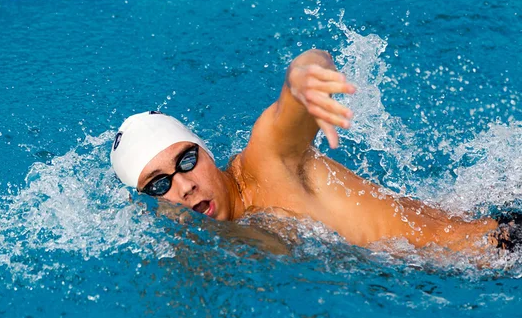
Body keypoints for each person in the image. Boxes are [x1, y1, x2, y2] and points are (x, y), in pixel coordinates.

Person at [111, 49, 520, 254]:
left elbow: (296, 95)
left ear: (207, 153)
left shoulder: (267, 163)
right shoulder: (197, 237)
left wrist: (307, 79)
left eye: (187, 160)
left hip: (499, 245)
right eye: (160, 182)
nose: (183, 185)